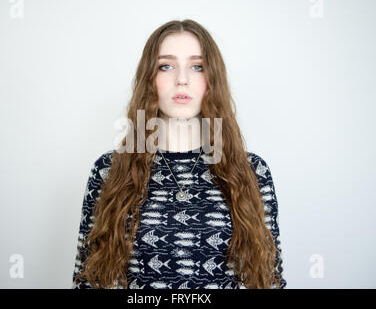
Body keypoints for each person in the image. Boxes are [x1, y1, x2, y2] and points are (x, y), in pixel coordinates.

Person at [72, 19, 287, 289]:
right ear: (149, 78)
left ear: (213, 80)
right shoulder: (108, 171)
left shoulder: (253, 171)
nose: (182, 79)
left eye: (197, 67)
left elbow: (270, 280)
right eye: (166, 66)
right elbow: (87, 281)